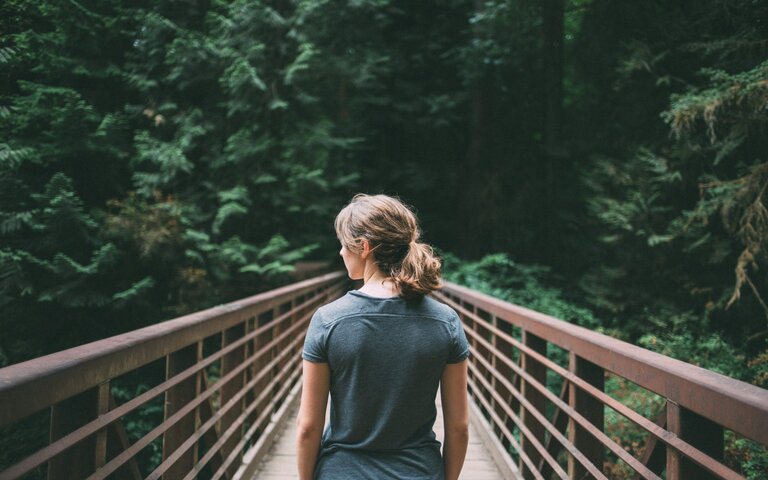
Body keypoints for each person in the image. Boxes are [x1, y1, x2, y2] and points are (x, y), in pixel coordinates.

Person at [296, 193, 471, 480]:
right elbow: (459, 427)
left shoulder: (328, 320)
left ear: (364, 247)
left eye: (343, 245)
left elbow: (307, 427)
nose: (341, 253)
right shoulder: (445, 322)